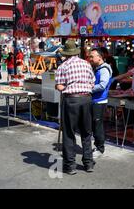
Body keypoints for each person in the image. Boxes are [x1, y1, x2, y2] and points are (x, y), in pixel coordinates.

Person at [55, 40, 95, 175]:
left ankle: (70, 165)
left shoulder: (63, 66)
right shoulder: (87, 64)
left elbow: (60, 86)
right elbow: (92, 82)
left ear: (66, 53)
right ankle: (88, 163)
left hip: (71, 99)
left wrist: (65, 87)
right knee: (86, 132)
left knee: (69, 133)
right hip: (86, 99)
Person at [89, 48, 113, 159]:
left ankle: (100, 148)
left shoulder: (104, 70)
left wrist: (89, 88)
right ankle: (97, 145)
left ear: (100, 57)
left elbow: (103, 85)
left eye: (92, 56)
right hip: (95, 100)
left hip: (99, 101)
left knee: (98, 125)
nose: (91, 58)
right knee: (95, 125)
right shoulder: (98, 68)